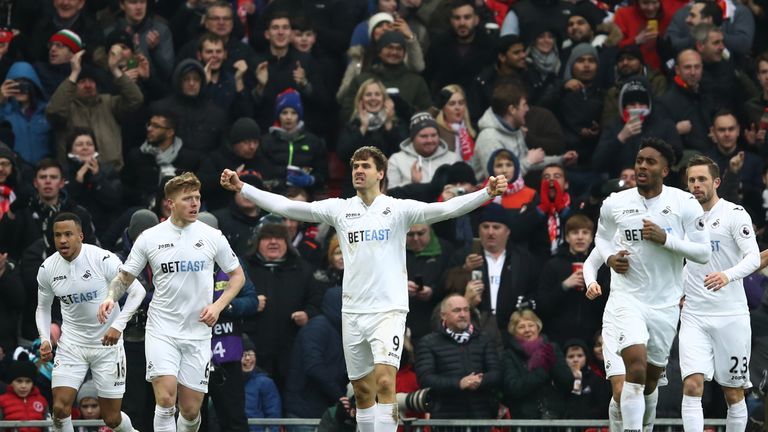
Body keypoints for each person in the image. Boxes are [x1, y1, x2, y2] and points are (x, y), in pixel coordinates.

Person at [220, 145, 507, 432]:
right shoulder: (341, 209)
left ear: (380, 173)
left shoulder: (397, 209)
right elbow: (288, 206)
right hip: (354, 311)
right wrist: (243, 187)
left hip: (388, 310)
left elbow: (445, 209)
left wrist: (486, 192)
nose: (358, 170)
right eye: (355, 165)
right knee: (363, 392)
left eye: (365, 166)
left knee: (384, 381)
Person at [103, 172, 245, 432]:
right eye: (188, 198)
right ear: (170, 203)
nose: (195, 204)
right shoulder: (150, 237)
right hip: (162, 330)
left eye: (197, 198)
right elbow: (124, 277)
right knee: (166, 400)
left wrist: (217, 306)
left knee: (190, 411)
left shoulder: (212, 236)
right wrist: (110, 298)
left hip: (198, 333)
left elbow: (238, 276)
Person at [593, 138, 711, 431]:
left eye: (650, 161)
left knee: (648, 382)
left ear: (665, 169)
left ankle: (641, 424)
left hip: (665, 303)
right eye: (639, 160)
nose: (642, 166)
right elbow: (602, 238)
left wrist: (666, 239)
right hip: (626, 297)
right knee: (634, 367)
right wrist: (609, 258)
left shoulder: (684, 204)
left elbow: (703, 252)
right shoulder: (616, 203)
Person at [35, 212, 145, 432]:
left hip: (108, 346)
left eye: (68, 234)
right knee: (59, 408)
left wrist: (117, 325)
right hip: (72, 345)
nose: (63, 240)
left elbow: (137, 291)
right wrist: (45, 339)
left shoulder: (102, 259)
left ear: (81, 236)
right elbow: (42, 307)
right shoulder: (47, 269)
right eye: (58, 235)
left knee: (111, 419)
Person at [680, 155, 760, 431]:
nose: (696, 185)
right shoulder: (682, 216)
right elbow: (679, 260)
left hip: (731, 315)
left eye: (702, 179)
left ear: (716, 182)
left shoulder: (734, 215)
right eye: (691, 180)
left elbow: (753, 258)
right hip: (694, 315)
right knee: (692, 384)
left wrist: (727, 275)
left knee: (733, 393)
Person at [415, 293, 501, 420]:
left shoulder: (484, 339)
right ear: (443, 315)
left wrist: (481, 380)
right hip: (445, 418)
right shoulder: (428, 342)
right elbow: (425, 379)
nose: (463, 314)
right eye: (457, 310)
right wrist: (459, 383)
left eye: (466, 310)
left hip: (481, 416)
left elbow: (497, 373)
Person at [0, 359, 49, 432]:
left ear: (33, 383)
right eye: (19, 381)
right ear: (11, 382)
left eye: (28, 381)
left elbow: (48, 427)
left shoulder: (42, 401)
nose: (23, 386)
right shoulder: (2, 401)